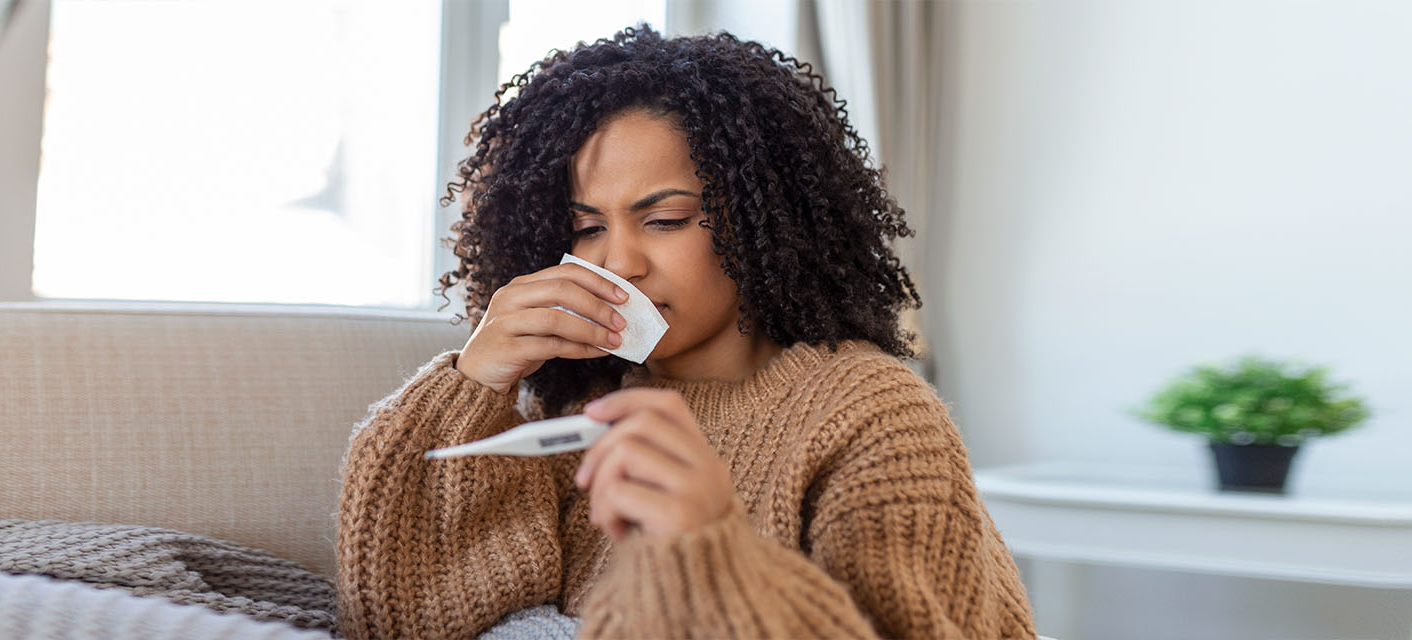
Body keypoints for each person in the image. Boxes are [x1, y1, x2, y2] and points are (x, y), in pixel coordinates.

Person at [334, 24, 1036, 639]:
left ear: (767, 221)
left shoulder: (870, 413)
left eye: (664, 220)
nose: (619, 262)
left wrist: (711, 551)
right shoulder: (574, 412)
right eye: (587, 228)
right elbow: (397, 620)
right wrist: (471, 383)